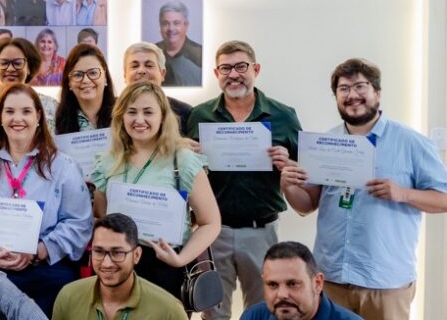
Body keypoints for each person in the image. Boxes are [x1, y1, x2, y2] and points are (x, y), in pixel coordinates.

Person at [280, 59, 447, 320]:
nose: (352, 95)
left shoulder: (411, 143)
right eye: (343, 88)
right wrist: (288, 185)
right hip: (332, 278)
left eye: (360, 86)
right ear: (336, 96)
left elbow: (444, 199)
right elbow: (306, 205)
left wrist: (404, 194)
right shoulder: (324, 144)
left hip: (385, 283)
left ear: (377, 93)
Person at [186, 40, 302, 320]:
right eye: (225, 68)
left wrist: (288, 163)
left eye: (241, 66)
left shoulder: (283, 115)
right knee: (213, 312)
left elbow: (306, 173)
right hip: (213, 231)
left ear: (256, 69)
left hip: (261, 230)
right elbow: (185, 172)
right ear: (216, 74)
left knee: (264, 310)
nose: (233, 74)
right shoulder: (200, 115)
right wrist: (187, 153)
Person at [0, 83, 91, 313]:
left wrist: (39, 249)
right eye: (9, 111)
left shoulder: (63, 166)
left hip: (46, 274)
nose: (18, 118)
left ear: (39, 116)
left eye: (26, 111)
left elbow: (80, 223)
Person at [91, 82, 221, 302]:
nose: (139, 120)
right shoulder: (107, 162)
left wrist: (180, 260)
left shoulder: (183, 160)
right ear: (121, 116)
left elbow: (211, 223)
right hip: (117, 266)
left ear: (163, 116)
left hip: (166, 268)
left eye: (148, 112)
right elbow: (101, 217)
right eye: (131, 112)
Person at [53, 213, 189, 319]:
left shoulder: (168, 311)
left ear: (136, 255)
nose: (106, 263)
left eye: (117, 253)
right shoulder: (68, 296)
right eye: (99, 251)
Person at [241, 242, 363, 320]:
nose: (282, 294)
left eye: (292, 284)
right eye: (273, 285)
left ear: (317, 284)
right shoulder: (253, 316)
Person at [0, 36, 59, 135]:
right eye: (4, 63)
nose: (10, 69)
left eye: (18, 63)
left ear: (29, 68)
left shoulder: (52, 106)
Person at [123, 42, 194, 134]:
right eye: (134, 66)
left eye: (149, 66)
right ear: (125, 74)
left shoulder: (185, 112)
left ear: (162, 73)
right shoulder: (110, 111)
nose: (141, 71)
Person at [54, 43, 116, 135]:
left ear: (105, 77)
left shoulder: (123, 113)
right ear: (69, 83)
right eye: (78, 74)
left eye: (93, 73)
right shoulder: (54, 121)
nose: (86, 80)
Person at [156, 0, 202, 87]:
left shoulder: (201, 55)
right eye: (165, 23)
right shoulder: (152, 52)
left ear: (186, 25)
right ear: (160, 26)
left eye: (176, 23)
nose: (171, 28)